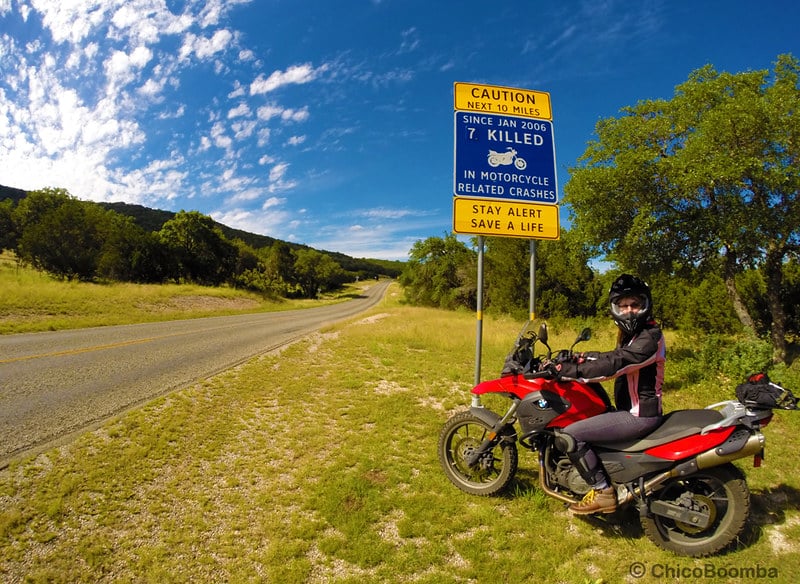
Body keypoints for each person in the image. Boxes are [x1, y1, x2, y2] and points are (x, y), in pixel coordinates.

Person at [550, 274, 666, 514]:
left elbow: (616, 364)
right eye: (622, 306)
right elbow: (609, 356)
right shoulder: (634, 336)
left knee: (571, 435)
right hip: (631, 410)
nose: (629, 311)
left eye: (635, 305)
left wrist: (570, 371)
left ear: (645, 305)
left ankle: (603, 492)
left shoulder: (649, 338)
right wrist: (579, 357)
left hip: (639, 415)